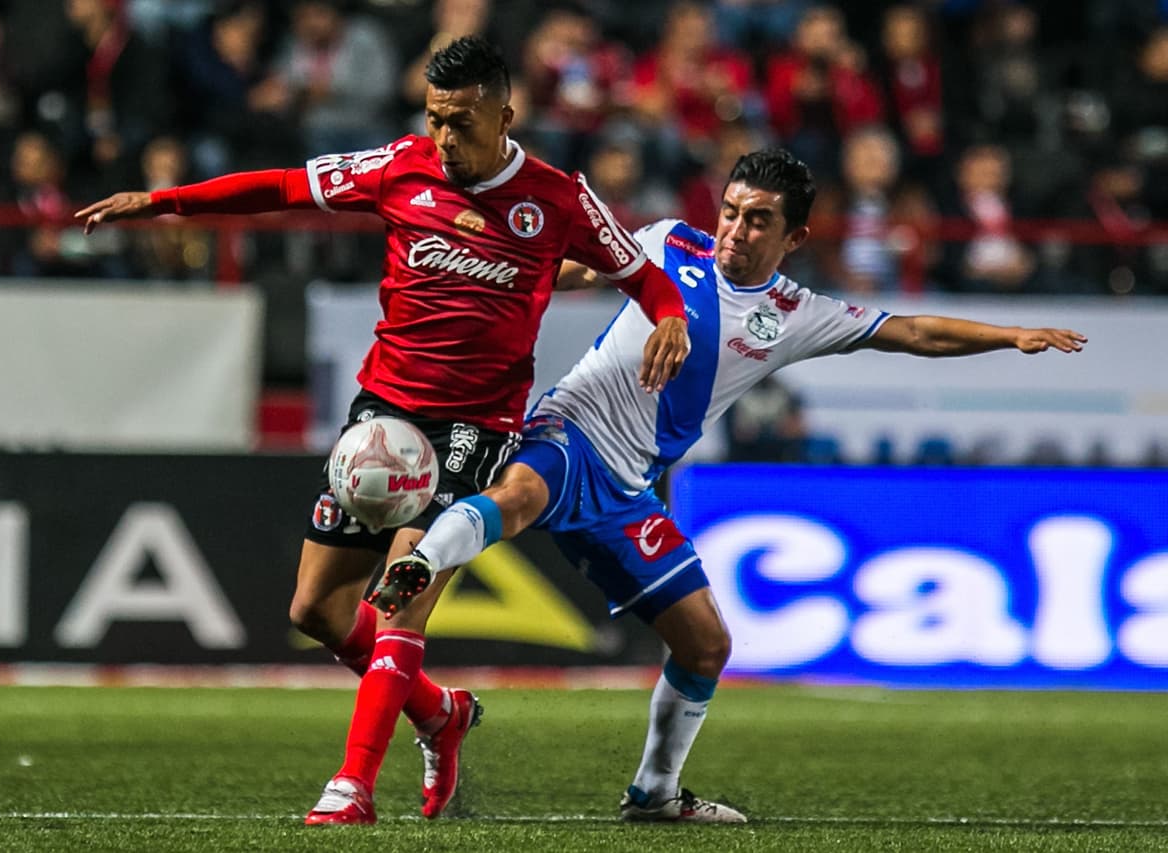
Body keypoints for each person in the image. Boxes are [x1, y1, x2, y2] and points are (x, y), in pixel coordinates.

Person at [75, 35, 689, 826]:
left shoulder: (558, 198)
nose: (444, 138)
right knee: (315, 611)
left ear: (506, 114)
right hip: (382, 419)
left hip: (476, 425)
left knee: (402, 595)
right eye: (435, 118)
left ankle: (351, 786)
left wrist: (669, 318)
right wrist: (162, 202)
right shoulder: (400, 166)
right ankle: (440, 714)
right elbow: (284, 188)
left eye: (462, 122)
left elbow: (644, 276)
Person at [370, 147, 1086, 822]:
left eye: (758, 219)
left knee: (707, 645)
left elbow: (914, 331)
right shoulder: (665, 242)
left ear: (794, 236)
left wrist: (1009, 334)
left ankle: (654, 793)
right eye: (731, 211)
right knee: (521, 494)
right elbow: (571, 267)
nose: (735, 231)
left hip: (628, 489)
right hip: (570, 428)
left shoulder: (796, 315)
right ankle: (424, 560)